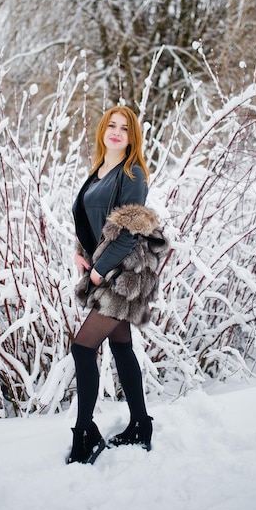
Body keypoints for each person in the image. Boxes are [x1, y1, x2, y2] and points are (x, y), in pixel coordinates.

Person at [67, 105, 167, 465]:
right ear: (103, 130)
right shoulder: (97, 173)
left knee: (82, 348)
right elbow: (92, 223)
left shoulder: (133, 172)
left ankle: (85, 434)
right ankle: (140, 424)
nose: (116, 132)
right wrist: (82, 252)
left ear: (132, 136)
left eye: (124, 128)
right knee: (121, 348)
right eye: (111, 125)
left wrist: (99, 271)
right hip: (106, 269)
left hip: (124, 275)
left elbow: (129, 233)